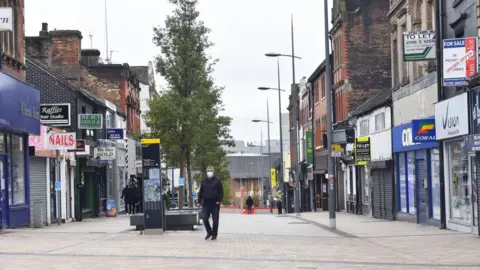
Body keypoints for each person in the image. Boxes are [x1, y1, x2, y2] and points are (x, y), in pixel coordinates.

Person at [198, 166, 223, 241]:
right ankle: (209, 232)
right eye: (208, 170)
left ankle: (214, 234)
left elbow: (221, 191)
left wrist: (219, 200)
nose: (209, 171)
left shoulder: (217, 181)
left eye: (211, 170)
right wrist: (199, 201)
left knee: (215, 220)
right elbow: (201, 192)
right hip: (206, 203)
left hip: (215, 203)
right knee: (205, 218)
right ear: (206, 172)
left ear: (213, 171)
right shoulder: (204, 181)